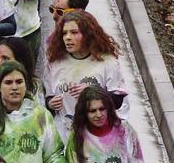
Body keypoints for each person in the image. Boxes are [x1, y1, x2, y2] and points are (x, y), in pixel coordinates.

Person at [43, 9, 126, 140]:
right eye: (64, 33)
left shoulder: (107, 62)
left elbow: (118, 100)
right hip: (64, 133)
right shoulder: (55, 62)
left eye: (74, 32)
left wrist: (92, 92)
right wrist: (50, 104)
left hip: (97, 136)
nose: (68, 37)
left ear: (88, 35)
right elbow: (47, 97)